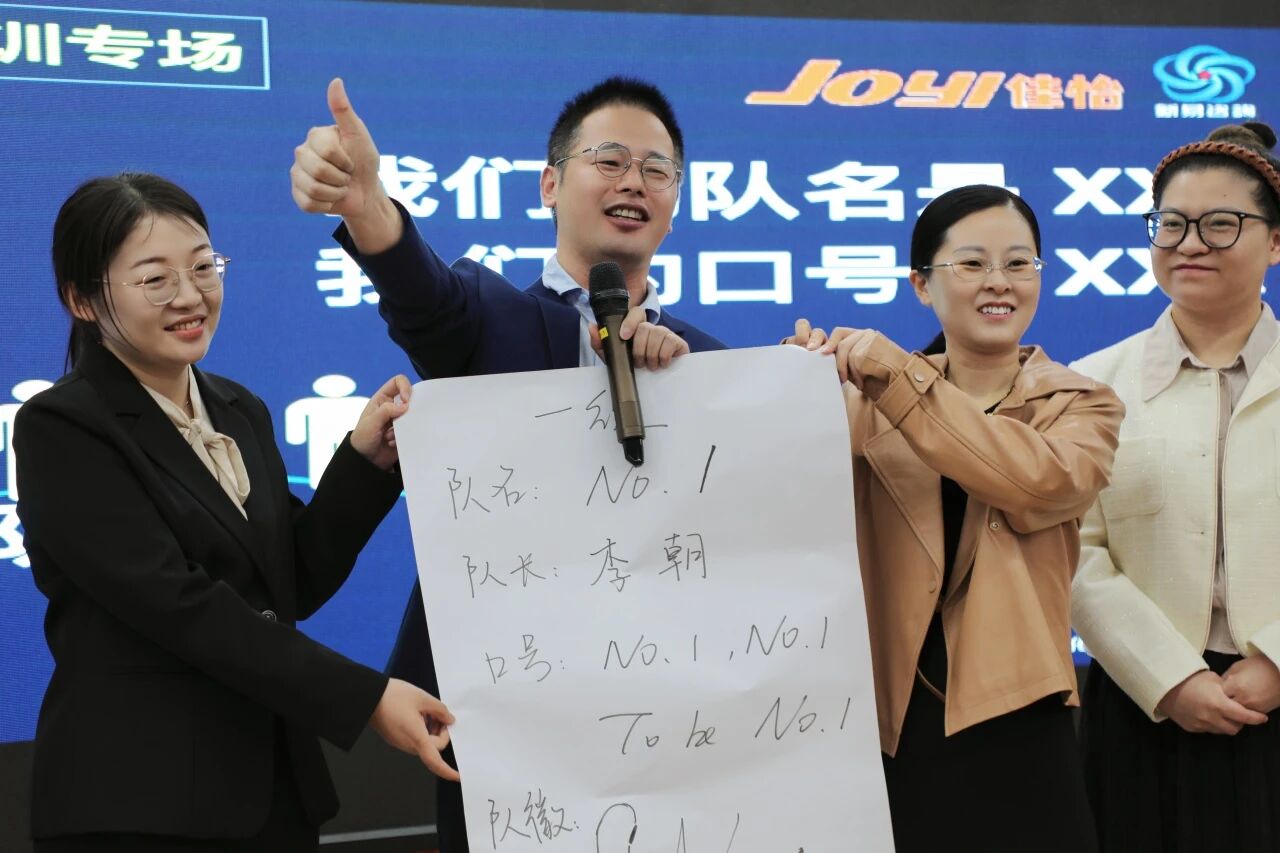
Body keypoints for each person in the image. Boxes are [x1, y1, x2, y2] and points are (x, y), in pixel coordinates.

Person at [290, 75, 730, 850]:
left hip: (674, 718)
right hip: (509, 719)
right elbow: (422, 294)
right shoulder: (490, 320)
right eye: (610, 160)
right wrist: (367, 207)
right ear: (550, 184)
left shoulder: (713, 364)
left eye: (657, 169)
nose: (634, 182)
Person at [16, 173, 457, 852]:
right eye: (155, 279)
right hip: (141, 806)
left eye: (203, 267)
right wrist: (365, 697)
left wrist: (365, 461)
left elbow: (290, 582)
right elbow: (182, 607)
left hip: (273, 797)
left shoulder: (237, 407)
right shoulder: (62, 427)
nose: (190, 296)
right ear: (81, 299)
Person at [799, 185, 1122, 851]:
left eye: (1020, 263)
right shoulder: (859, 402)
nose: (999, 282)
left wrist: (898, 378)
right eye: (972, 263)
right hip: (888, 722)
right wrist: (790, 386)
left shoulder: (1082, 404)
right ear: (921, 284)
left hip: (1021, 716)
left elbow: (1032, 480)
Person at [1071, 122, 1280, 852]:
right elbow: (1072, 549)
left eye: (1221, 224)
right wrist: (1169, 678)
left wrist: (1277, 659)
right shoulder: (1093, 383)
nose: (1190, 243)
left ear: (1275, 242)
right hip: (1143, 706)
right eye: (1171, 223)